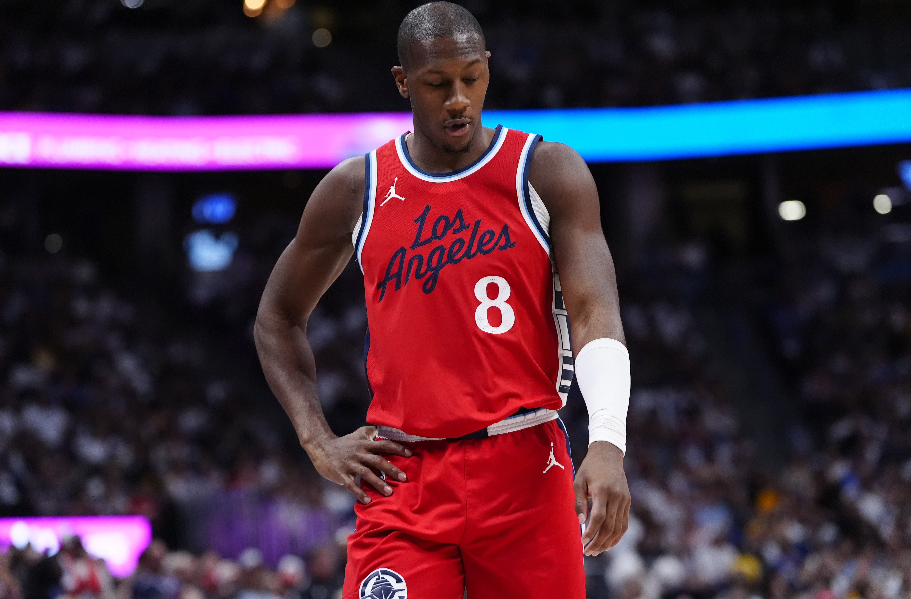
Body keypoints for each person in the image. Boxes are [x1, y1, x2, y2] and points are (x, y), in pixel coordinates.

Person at [254, 3, 632, 597]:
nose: (458, 99)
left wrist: (607, 438)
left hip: (525, 463)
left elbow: (594, 312)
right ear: (403, 82)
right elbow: (276, 317)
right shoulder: (357, 188)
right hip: (404, 473)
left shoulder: (546, 172)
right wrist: (317, 439)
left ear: (488, 71)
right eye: (436, 83)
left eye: (471, 79)